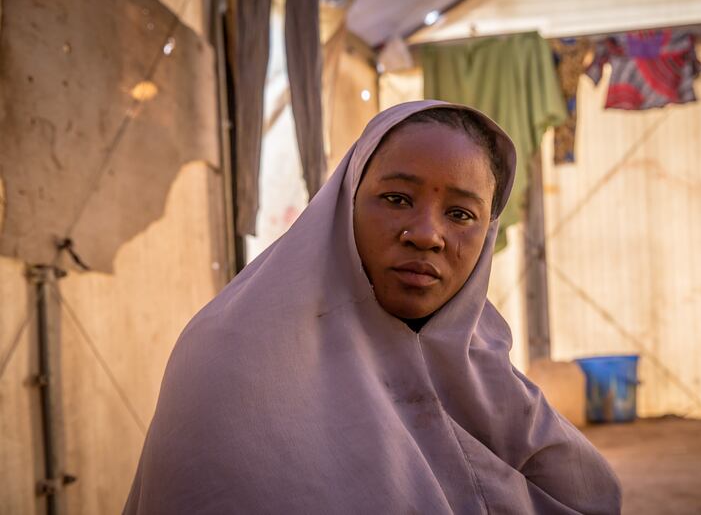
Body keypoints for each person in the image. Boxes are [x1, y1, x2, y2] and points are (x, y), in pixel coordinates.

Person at [123, 100, 621, 514]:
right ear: (344, 204)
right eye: (396, 199)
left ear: (488, 233)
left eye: (461, 214)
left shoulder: (479, 363)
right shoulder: (232, 359)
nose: (426, 235)